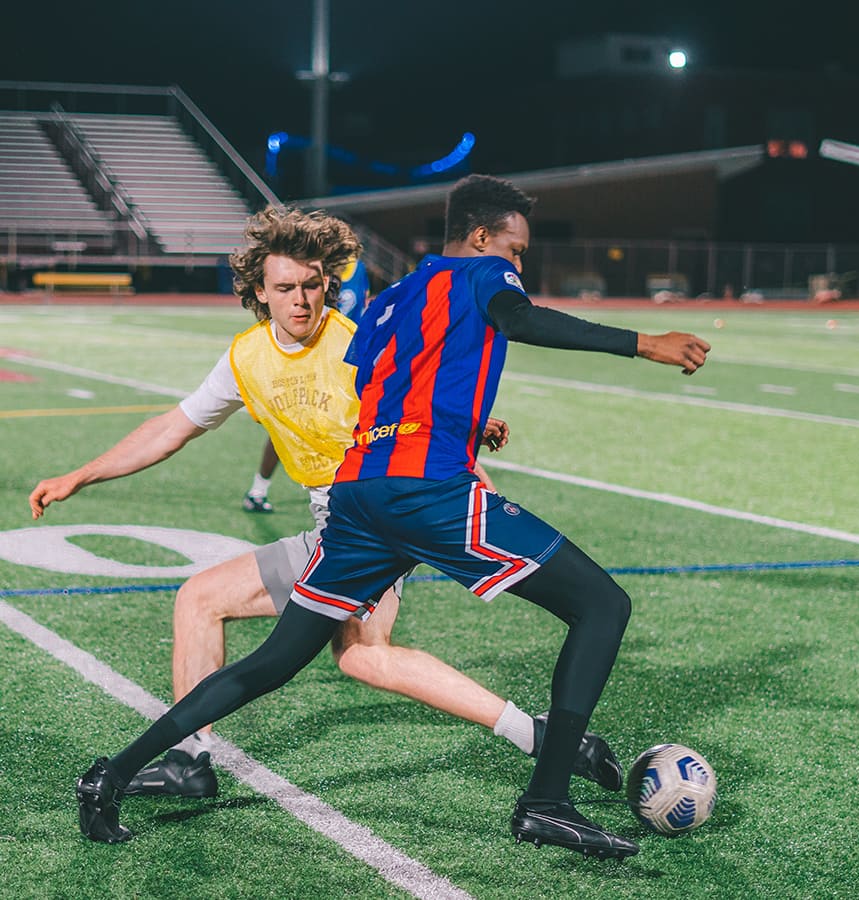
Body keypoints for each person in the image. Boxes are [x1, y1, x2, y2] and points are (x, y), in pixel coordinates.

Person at [70, 177, 709, 857]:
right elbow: (518, 318)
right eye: (516, 249)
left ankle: (112, 774)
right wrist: (645, 342)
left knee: (276, 661)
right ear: (484, 237)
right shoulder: (483, 272)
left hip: (356, 495)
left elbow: (381, 388)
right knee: (602, 606)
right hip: (423, 491)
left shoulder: (396, 297)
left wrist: (459, 425)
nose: (519, 265)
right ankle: (547, 800)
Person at [241, 256, 370, 513]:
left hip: (346, 361)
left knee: (362, 426)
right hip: (312, 360)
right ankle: (259, 488)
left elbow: (361, 307)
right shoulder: (313, 273)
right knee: (289, 426)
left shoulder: (358, 269)